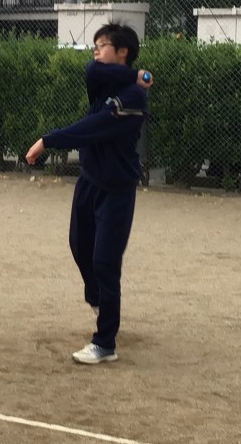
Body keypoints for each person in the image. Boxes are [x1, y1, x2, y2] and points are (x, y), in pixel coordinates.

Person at [25, 22, 153, 365]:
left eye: (103, 45)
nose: (96, 51)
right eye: (95, 45)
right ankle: (99, 299)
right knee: (79, 245)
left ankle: (105, 342)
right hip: (89, 182)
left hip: (116, 189)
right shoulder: (106, 82)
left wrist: (49, 140)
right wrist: (137, 73)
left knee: (105, 261)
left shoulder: (133, 97)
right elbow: (92, 70)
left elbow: (93, 128)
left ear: (122, 52)